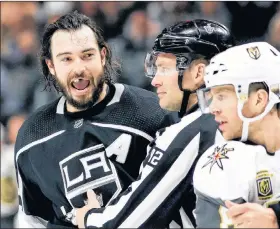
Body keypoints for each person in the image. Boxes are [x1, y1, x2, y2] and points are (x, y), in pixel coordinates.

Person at [14, 11, 174, 228]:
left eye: (87, 55)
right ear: (51, 66)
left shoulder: (151, 113)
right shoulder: (31, 137)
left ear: (103, 55)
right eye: (67, 59)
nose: (79, 68)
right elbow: (32, 220)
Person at [75, 19, 235, 228]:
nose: (155, 80)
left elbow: (123, 224)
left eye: (164, 69)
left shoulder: (191, 133)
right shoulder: (246, 121)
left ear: (199, 73)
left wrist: (89, 218)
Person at [193, 42, 280, 228]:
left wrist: (279, 217)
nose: (212, 108)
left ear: (259, 99)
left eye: (221, 96)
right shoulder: (221, 164)